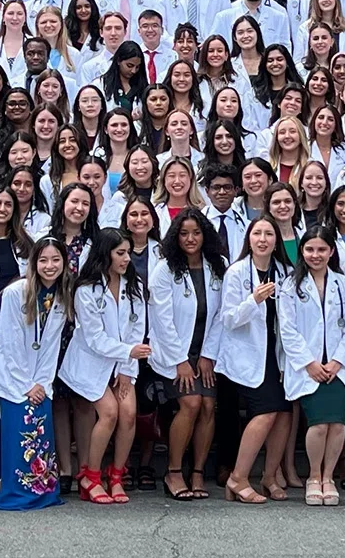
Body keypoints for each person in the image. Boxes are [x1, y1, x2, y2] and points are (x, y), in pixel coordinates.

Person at [62, 227, 150, 504]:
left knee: (129, 414)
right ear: (105, 255)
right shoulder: (86, 290)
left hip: (122, 362)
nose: (126, 259)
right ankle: (90, 476)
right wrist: (128, 352)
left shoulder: (133, 287)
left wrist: (126, 368)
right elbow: (95, 338)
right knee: (110, 413)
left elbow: (137, 327)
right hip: (91, 362)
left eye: (128, 253)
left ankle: (116, 476)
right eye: (120, 253)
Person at [279, 224, 345, 506]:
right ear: (302, 251)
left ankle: (329, 478)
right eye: (310, 249)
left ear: (331, 251)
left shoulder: (343, 284)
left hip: (337, 368)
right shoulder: (290, 285)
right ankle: (314, 476)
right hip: (309, 368)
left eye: (321, 249)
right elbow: (287, 330)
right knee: (318, 425)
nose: (316, 255)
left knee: (337, 425)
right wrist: (309, 363)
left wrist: (338, 362)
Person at [0, 238, 69, 511]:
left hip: (38, 378)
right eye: (43, 260)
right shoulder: (15, 293)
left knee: (42, 428)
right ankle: (14, 492)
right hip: (10, 376)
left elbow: (51, 345)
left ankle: (42, 491)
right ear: (33, 264)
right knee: (21, 429)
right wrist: (26, 385)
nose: (49, 266)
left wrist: (42, 383)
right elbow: (10, 343)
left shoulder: (61, 296)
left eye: (56, 260)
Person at [150, 210, 226, 500]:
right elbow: (161, 319)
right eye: (184, 233)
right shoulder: (165, 269)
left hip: (205, 351)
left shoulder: (218, 267)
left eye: (196, 232)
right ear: (175, 237)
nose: (191, 239)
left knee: (208, 405)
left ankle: (197, 472)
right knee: (191, 403)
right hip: (174, 355)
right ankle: (173, 472)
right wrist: (180, 360)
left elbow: (220, 315)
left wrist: (207, 355)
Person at [216, 215, 291, 503]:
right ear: (249, 238)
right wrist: (254, 300)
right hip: (246, 355)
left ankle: (270, 476)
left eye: (269, 234)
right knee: (265, 413)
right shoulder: (237, 273)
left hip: (277, 354)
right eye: (257, 233)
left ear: (276, 241)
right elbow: (229, 319)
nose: (262, 239)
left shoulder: (284, 271)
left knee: (285, 415)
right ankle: (238, 477)